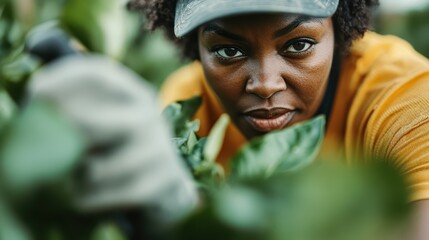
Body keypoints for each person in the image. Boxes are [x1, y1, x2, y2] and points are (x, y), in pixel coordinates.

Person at [131, 0, 429, 238]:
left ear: (340, 28)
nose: (265, 84)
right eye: (228, 50)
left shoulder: (409, 104)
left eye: (298, 45)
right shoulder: (189, 104)